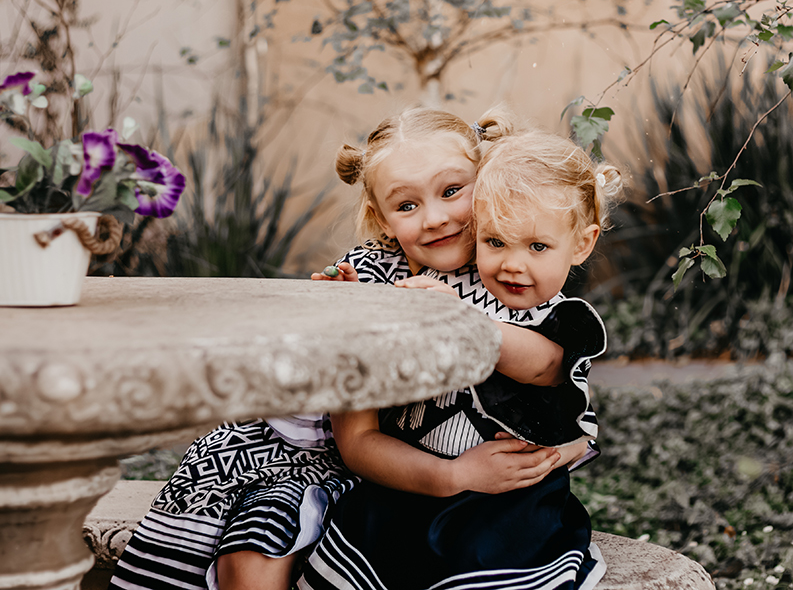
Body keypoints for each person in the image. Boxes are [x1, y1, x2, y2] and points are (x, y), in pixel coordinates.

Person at [108, 107, 563, 590]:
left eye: (453, 191)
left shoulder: (514, 268)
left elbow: (557, 366)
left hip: (408, 476)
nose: (435, 218)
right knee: (252, 556)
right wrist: (343, 319)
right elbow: (354, 443)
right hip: (296, 449)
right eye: (406, 205)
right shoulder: (369, 279)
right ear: (382, 220)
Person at [301, 129, 624, 590]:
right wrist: (359, 310)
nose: (513, 264)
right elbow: (363, 411)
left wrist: (463, 320)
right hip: (410, 491)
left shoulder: (558, 318)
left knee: (483, 569)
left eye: (536, 246)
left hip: (506, 509)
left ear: (583, 245)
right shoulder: (428, 281)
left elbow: (544, 365)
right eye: (495, 242)